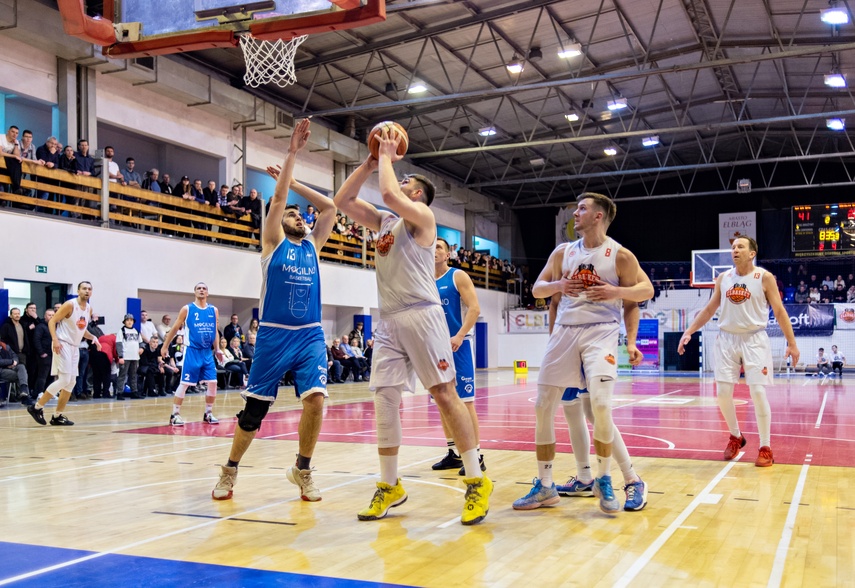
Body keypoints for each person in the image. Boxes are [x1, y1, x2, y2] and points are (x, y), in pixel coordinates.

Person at [334, 127, 491, 525]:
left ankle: (476, 479)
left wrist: (387, 155)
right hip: (388, 319)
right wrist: (370, 162)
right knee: (384, 397)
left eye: (406, 181)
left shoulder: (422, 217)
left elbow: (389, 193)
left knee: (443, 393)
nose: (397, 181)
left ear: (417, 193)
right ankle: (390, 485)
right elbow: (343, 200)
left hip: (422, 314)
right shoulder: (384, 222)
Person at [212, 119, 338, 503]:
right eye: (292, 215)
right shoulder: (272, 244)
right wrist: (292, 154)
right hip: (273, 334)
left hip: (310, 334)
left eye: (302, 215)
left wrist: (297, 182)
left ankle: (302, 469)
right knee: (254, 413)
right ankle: (230, 470)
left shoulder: (313, 246)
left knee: (315, 399)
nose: (299, 216)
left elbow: (329, 206)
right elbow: (278, 202)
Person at [511, 194, 653, 514]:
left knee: (600, 407)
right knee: (543, 405)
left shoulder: (619, 255)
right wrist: (560, 284)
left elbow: (643, 294)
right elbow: (537, 290)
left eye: (582, 209)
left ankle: (607, 479)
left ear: (599, 216)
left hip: (600, 331)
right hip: (564, 334)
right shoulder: (564, 252)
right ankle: (546, 486)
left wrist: (626, 327)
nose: (575, 213)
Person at [679, 236, 799, 467]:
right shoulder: (723, 278)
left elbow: (780, 311)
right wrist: (689, 331)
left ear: (752, 253)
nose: (735, 250)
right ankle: (736, 436)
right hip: (726, 339)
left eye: (740, 247)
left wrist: (792, 343)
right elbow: (709, 308)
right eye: (733, 247)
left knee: (758, 393)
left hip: (754, 339)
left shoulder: (764, 277)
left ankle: (765, 447)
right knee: (723, 393)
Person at [431, 237, 485, 475]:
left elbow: (474, 308)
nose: (434, 251)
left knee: (466, 402)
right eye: (431, 247)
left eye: (439, 248)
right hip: (434, 349)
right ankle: (454, 452)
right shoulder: (422, 280)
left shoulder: (457, 276)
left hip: (457, 346)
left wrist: (460, 335)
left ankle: (477, 455)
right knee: (443, 402)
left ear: (447, 255)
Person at [26, 281, 102, 426]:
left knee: (71, 382)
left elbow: (81, 329)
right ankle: (36, 407)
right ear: (79, 291)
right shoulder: (70, 305)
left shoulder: (89, 309)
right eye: (84, 288)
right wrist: (55, 339)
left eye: (89, 289)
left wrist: (93, 337)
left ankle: (57, 415)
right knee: (64, 380)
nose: (87, 291)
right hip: (63, 344)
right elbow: (52, 321)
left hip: (75, 346)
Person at [160, 282, 223, 426]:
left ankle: (208, 413)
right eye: (198, 288)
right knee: (185, 383)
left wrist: (218, 349)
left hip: (207, 352)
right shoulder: (187, 309)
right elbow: (175, 328)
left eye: (204, 288)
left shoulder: (213, 310)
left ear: (207, 293)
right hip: (192, 351)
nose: (201, 290)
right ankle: (174, 414)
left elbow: (215, 331)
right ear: (194, 292)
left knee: (213, 383)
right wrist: (165, 346)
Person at [116, 314, 143, 400]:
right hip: (125, 357)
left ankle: (134, 391)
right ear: (124, 322)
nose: (129, 322)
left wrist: (142, 348)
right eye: (127, 320)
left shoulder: (136, 331)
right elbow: (119, 344)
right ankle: (119, 392)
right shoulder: (122, 331)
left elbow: (141, 342)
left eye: (131, 320)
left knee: (134, 375)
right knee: (122, 375)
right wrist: (120, 356)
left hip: (135, 357)